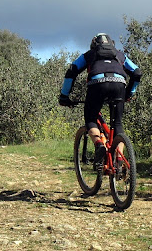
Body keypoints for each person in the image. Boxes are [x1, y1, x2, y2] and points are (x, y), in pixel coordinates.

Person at [59, 33, 142, 168]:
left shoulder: (89, 55)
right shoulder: (120, 55)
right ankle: (119, 158)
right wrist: (129, 94)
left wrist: (64, 96)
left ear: (94, 45)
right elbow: (137, 72)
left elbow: (71, 71)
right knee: (118, 123)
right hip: (119, 84)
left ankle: (99, 145)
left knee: (91, 119)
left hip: (97, 85)